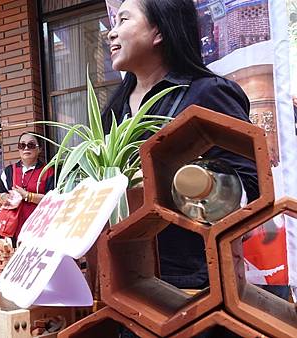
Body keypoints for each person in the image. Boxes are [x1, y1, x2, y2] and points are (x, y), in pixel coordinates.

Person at [104, 0, 259, 297]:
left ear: (158, 31)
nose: (112, 33)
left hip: (193, 286)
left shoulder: (208, 93)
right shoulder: (114, 109)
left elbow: (249, 187)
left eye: (124, 20)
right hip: (122, 278)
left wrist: (175, 181)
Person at [0, 132, 55, 243]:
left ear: (40, 149)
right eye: (22, 145)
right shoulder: (9, 171)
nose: (26, 148)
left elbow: (53, 200)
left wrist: (28, 196)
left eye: (31, 145)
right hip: (13, 228)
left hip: (40, 228)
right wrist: (5, 197)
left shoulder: (49, 172)